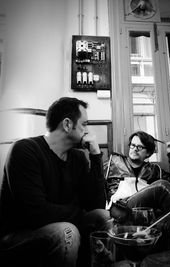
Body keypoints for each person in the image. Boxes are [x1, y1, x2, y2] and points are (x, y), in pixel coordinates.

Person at [0, 97, 111, 267]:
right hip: (21, 233)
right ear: (67, 124)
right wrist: (79, 212)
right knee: (67, 231)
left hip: (63, 222)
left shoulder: (78, 157)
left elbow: (95, 204)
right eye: (84, 124)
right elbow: (36, 213)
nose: (87, 131)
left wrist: (96, 156)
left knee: (103, 216)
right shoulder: (25, 150)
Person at [104, 130, 170, 251]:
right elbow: (96, 181)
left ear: (148, 153)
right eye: (132, 145)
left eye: (139, 147)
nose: (134, 149)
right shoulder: (114, 161)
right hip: (122, 208)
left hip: (146, 216)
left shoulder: (154, 169)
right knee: (161, 186)